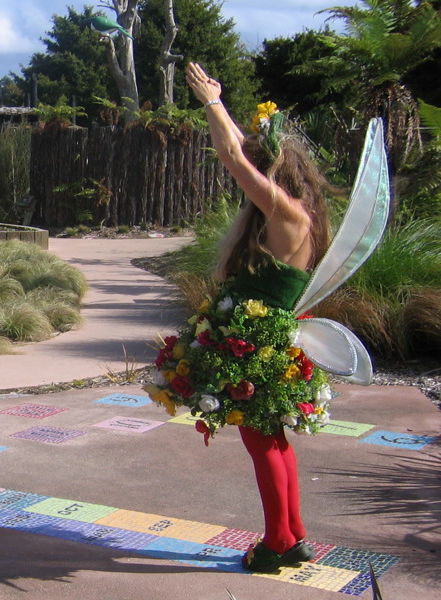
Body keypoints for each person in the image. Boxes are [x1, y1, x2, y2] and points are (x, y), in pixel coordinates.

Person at [151, 63, 336, 573]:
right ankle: (294, 535)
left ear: (274, 173)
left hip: (255, 348)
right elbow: (242, 150)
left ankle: (277, 543)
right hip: (271, 342)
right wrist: (220, 105)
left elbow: (234, 158)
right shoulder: (303, 214)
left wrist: (210, 102)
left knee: (262, 445)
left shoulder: (286, 213)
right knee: (273, 441)